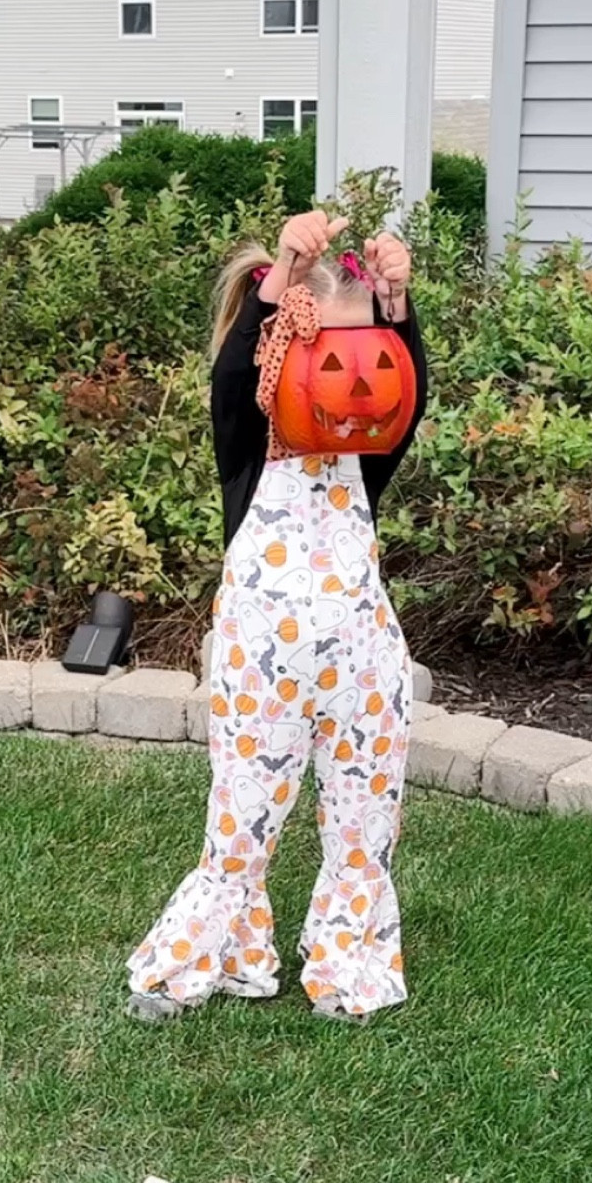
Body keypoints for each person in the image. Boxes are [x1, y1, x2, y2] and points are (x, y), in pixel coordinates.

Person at [126, 209, 428, 1022]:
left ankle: (349, 966)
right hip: (263, 665)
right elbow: (232, 378)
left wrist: (399, 304)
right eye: (331, 356)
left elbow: (407, 392)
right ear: (284, 356)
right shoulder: (248, 450)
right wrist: (281, 281)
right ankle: (207, 957)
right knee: (243, 814)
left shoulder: (365, 457)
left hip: (363, 662)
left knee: (366, 817)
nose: (355, 380)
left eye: (369, 354)